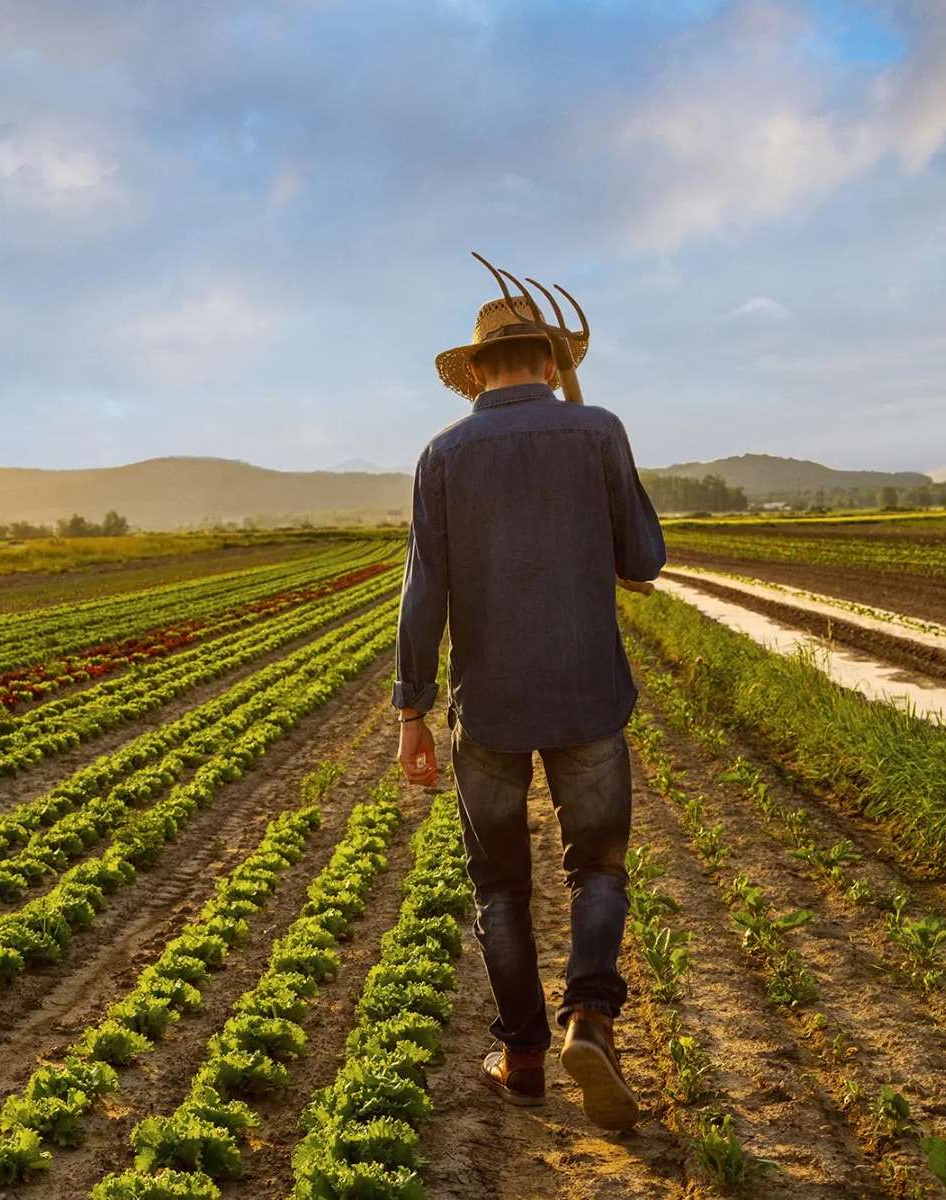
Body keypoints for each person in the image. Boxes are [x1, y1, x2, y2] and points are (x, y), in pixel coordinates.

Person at [391, 277, 665, 1131]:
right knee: (598, 867)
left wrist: (411, 712)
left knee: (499, 886)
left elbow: (422, 592)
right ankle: (590, 1017)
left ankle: (521, 1057)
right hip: (587, 692)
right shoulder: (598, 430)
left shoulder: (441, 455)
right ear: (550, 360)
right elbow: (644, 558)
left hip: (490, 708)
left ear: (475, 374)